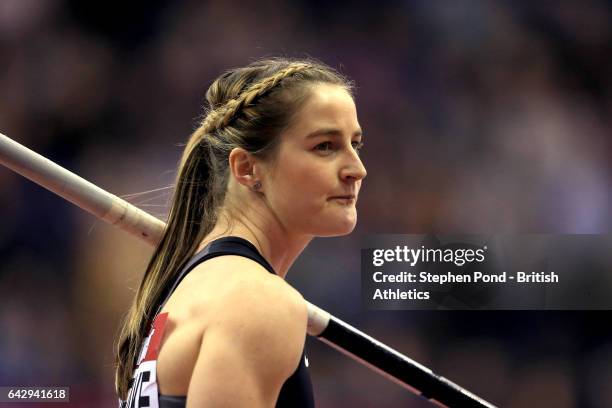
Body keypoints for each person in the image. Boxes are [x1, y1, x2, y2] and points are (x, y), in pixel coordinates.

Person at [115, 57, 367, 408]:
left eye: (356, 144)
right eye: (325, 146)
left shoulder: (203, 286)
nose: (357, 169)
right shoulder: (257, 302)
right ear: (247, 168)